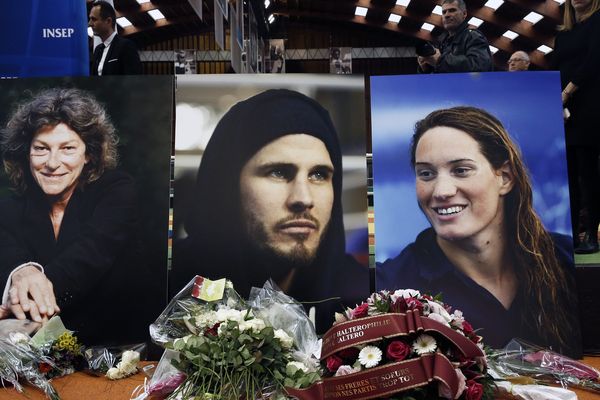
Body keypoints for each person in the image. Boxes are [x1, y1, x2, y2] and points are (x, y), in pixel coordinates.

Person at [377, 106, 581, 358]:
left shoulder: (564, 259)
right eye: (426, 173)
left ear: (504, 178)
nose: (441, 191)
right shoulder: (390, 287)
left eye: (461, 170)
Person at [171, 89, 369, 333]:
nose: (303, 199)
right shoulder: (165, 286)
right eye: (278, 172)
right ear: (229, 185)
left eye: (319, 175)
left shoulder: (361, 299)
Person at [0, 88, 146, 345]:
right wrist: (22, 272)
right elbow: (8, 254)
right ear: (26, 153)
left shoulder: (117, 190)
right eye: (41, 149)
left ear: (88, 154)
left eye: (67, 148)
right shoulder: (10, 208)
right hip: (37, 354)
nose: (52, 163)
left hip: (113, 347)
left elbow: (89, 255)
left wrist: (21, 299)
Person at [554, 0, 600, 254]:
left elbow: (594, 60)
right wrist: (557, 99)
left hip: (590, 107)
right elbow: (556, 67)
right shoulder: (563, 33)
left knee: (587, 172)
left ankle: (591, 233)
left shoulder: (597, 21)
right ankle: (569, 235)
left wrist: (567, 93)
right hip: (565, 111)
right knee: (567, 175)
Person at [418, 0, 493, 73]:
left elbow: (479, 66)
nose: (447, 15)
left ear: (464, 14)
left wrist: (440, 60)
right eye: (444, 12)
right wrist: (426, 68)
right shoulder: (442, 42)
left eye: (452, 10)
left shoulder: (473, 36)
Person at [89, 1, 142, 76]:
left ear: (108, 21)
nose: (90, 23)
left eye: (94, 19)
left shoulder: (126, 46)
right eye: (90, 19)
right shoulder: (98, 50)